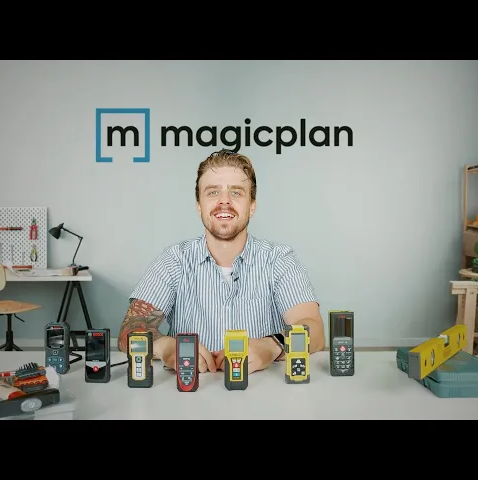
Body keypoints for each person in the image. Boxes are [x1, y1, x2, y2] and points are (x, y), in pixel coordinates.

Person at [117, 149, 325, 374]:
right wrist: (167, 347)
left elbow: (314, 330)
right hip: (189, 390)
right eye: (213, 192)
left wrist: (271, 346)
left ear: (252, 206)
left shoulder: (280, 260)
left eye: (236, 192)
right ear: (199, 206)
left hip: (263, 389)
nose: (224, 201)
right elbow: (130, 330)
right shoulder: (173, 260)